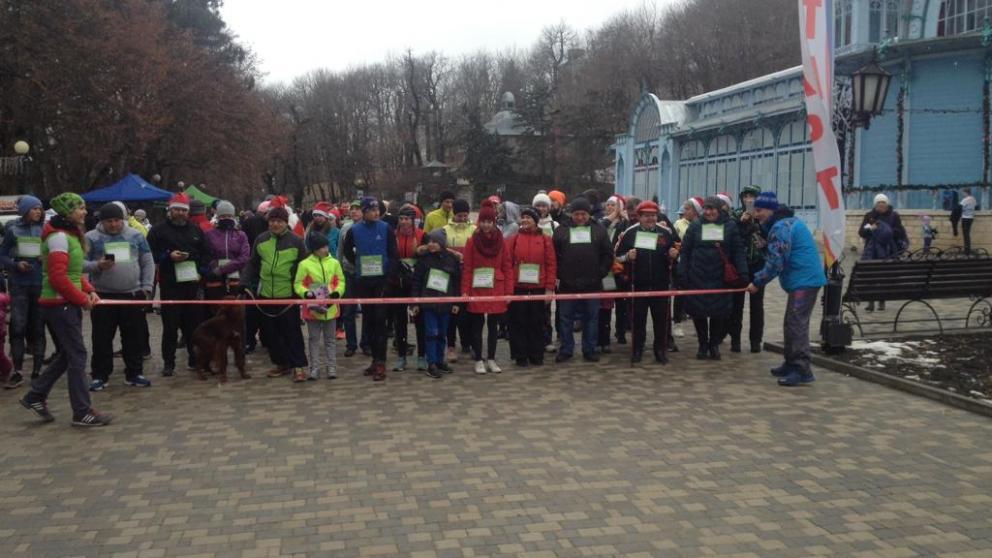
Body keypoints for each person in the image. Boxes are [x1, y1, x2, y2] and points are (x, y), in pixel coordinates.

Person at [20, 193, 112, 427]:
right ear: (67, 212)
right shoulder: (59, 237)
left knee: (67, 354)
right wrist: (81, 298)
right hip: (59, 303)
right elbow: (58, 276)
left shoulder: (69, 236)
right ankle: (82, 411)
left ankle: (35, 395)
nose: (85, 212)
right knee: (78, 355)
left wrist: (89, 289)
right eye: (80, 208)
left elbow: (75, 271)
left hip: (66, 302)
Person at [746, 192, 826, 386]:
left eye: (760, 210)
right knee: (791, 322)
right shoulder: (785, 223)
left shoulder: (782, 227)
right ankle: (790, 363)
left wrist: (757, 282)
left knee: (796, 324)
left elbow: (775, 262)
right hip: (802, 280)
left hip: (805, 281)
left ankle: (801, 369)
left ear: (771, 209)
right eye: (755, 210)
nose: (756, 214)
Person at [84, 202, 155, 391]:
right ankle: (100, 375)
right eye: (109, 221)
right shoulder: (91, 237)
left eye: (117, 220)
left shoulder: (136, 235)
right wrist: (96, 267)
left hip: (132, 294)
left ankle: (134, 372)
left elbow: (147, 261)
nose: (114, 225)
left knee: (133, 336)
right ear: (102, 221)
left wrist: (147, 287)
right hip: (102, 295)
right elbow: (79, 264)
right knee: (102, 337)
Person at [677, 196, 747, 361]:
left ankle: (714, 345)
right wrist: (682, 272)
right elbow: (685, 251)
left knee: (718, 313)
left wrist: (743, 272)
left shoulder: (730, 226)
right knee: (698, 312)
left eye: (712, 209)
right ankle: (702, 345)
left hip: (720, 276)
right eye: (706, 209)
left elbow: (738, 251)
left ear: (719, 209)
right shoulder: (695, 226)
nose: (708, 212)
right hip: (697, 275)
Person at [147, 193, 209, 376]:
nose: (180, 213)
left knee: (194, 325)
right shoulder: (158, 230)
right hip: (170, 284)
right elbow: (150, 255)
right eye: (177, 210)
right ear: (170, 210)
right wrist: (168, 256)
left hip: (192, 283)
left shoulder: (196, 230)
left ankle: (194, 358)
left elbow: (205, 254)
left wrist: (201, 271)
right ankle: (169, 362)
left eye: (183, 210)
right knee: (170, 326)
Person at [245, 205, 308, 381]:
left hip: (287, 294)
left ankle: (298, 366)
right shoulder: (261, 240)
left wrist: (299, 289)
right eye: (272, 221)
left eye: (279, 221)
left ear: (285, 223)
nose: (275, 224)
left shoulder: (296, 241)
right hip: (265, 294)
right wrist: (244, 281)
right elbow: (252, 263)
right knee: (270, 334)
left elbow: (304, 267)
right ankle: (281, 363)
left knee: (291, 332)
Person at [614, 200, 679, 364]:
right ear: (639, 217)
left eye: (653, 215)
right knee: (638, 321)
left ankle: (660, 351)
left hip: (661, 285)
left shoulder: (665, 232)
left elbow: (678, 252)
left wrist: (674, 254)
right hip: (638, 285)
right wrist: (628, 256)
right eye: (646, 216)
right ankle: (637, 350)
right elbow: (616, 256)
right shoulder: (630, 232)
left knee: (662, 321)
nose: (650, 219)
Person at [342, 197, 398, 381]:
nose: (376, 212)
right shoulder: (354, 230)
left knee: (380, 321)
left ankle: (381, 361)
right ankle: (374, 360)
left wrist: (388, 276)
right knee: (369, 321)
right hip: (364, 281)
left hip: (382, 281)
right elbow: (348, 250)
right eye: (372, 209)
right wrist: (358, 264)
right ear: (364, 212)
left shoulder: (386, 228)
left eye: (377, 210)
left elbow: (393, 254)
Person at [552, 197, 614, 363]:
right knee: (565, 319)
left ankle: (589, 349)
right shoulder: (561, 231)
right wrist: (560, 274)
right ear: (571, 214)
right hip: (567, 284)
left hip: (592, 283)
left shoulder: (599, 230)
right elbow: (553, 255)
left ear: (589, 214)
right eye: (577, 214)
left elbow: (608, 254)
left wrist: (600, 273)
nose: (580, 217)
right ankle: (566, 349)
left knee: (591, 319)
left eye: (583, 214)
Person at [461, 204, 513, 375]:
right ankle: (478, 360)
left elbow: (507, 266)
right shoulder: (471, 241)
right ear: (479, 222)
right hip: (477, 286)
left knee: (493, 325)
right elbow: (467, 267)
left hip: (496, 287)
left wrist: (508, 292)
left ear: (494, 222)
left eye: (489, 221)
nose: (486, 225)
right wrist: (465, 290)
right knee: (477, 325)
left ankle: (491, 358)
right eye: (483, 221)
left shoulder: (502, 241)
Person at [0, 195, 46, 388]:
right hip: (19, 284)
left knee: (37, 326)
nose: (38, 212)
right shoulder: (13, 229)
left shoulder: (44, 230)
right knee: (18, 326)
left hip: (39, 283)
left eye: (40, 209)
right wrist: (16, 264)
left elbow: (53, 252)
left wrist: (47, 258)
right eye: (34, 208)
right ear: (25, 210)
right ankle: (17, 370)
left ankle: (38, 370)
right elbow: (2, 255)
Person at [506, 207, 557, 367]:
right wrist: (508, 289)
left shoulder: (546, 239)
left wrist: (549, 288)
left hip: (538, 288)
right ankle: (520, 355)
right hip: (518, 287)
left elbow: (551, 264)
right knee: (518, 322)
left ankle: (536, 354)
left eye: (529, 217)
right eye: (524, 217)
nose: (525, 220)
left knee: (537, 322)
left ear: (536, 221)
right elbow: (507, 264)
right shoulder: (513, 239)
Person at [294, 233, 346, 380]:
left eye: (326, 245)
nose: (325, 249)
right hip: (313, 308)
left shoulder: (334, 262)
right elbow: (298, 284)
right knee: (313, 339)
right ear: (314, 249)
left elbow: (340, 281)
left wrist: (337, 293)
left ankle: (332, 368)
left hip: (330, 306)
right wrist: (306, 294)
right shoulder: (304, 264)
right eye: (322, 247)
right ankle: (314, 368)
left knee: (330, 340)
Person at [411, 229, 461, 378]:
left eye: (435, 242)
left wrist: (456, 301)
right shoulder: (424, 260)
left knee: (442, 334)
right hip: (428, 304)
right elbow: (416, 282)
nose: (431, 245)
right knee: (431, 333)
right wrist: (415, 302)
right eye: (429, 242)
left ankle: (440, 361)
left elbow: (456, 281)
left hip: (446, 303)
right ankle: (431, 362)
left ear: (442, 243)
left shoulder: (451, 259)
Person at [728, 185, 767, 353]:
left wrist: (757, 223)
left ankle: (755, 341)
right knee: (736, 305)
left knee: (757, 306)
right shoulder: (735, 214)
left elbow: (769, 237)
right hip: (739, 266)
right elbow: (730, 235)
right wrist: (741, 222)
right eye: (746, 196)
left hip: (758, 265)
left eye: (752, 196)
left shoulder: (762, 215)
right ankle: (735, 340)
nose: (748, 199)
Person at [439, 199, 476, 363]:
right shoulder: (444, 230)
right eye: (459, 215)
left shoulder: (474, 230)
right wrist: (454, 254)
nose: (462, 218)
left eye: (465, 215)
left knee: (469, 311)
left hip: (469, 275)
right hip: (451, 276)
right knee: (452, 312)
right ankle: (451, 346)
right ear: (454, 213)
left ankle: (468, 343)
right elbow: (440, 249)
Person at [390, 206, 425, 371]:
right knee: (400, 321)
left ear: (413, 220)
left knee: (419, 320)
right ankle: (402, 356)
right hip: (398, 283)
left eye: (407, 219)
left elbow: (426, 260)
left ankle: (422, 356)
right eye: (401, 218)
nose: (404, 222)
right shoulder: (393, 235)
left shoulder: (421, 235)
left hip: (416, 284)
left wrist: (419, 253)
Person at [858, 194, 904, 312]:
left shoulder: (894, 216)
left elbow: (899, 232)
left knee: (883, 275)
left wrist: (886, 230)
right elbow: (862, 232)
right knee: (871, 276)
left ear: (887, 204)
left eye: (883, 203)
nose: (881, 205)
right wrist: (871, 229)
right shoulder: (869, 216)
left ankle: (881, 301)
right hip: (871, 251)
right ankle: (871, 301)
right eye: (879, 203)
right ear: (875, 205)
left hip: (887, 251)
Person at [599, 194, 629, 349]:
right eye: (608, 205)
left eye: (614, 205)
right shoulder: (602, 224)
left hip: (621, 270)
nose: (610, 207)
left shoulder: (625, 225)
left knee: (622, 303)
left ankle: (621, 332)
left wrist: (626, 219)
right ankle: (604, 335)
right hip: (607, 271)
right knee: (605, 303)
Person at [203, 201, 250, 302]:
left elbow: (244, 257)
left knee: (236, 312)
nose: (226, 219)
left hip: (236, 279)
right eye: (223, 216)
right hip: (215, 279)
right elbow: (206, 255)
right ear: (218, 217)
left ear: (233, 217)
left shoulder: (241, 235)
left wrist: (223, 269)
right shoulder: (209, 235)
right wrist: (213, 267)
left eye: (229, 216)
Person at [337, 200, 364, 356]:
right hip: (348, 271)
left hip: (365, 271)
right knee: (348, 310)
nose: (354, 212)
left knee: (368, 308)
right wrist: (339, 267)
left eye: (357, 209)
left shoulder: (369, 227)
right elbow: (340, 250)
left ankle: (366, 342)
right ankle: (351, 344)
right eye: (352, 209)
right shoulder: (345, 228)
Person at [960, 187, 977, 254]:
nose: (962, 194)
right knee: (967, 234)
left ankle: (967, 251)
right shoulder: (973, 198)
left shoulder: (965, 199)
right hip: (971, 218)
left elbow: (959, 207)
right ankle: (967, 249)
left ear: (966, 192)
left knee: (965, 235)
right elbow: (975, 206)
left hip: (965, 218)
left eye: (963, 192)